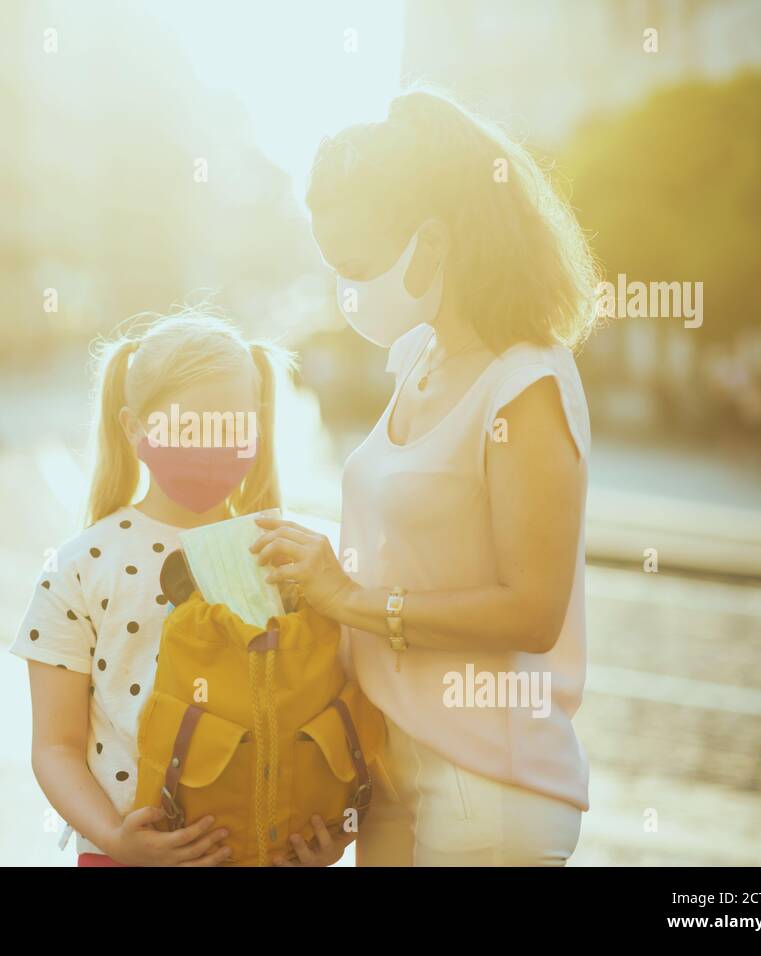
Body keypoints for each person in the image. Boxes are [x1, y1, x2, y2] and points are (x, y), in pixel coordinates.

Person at [252, 86, 599, 866]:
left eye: (358, 266)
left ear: (433, 242)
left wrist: (349, 597)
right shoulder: (417, 358)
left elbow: (533, 610)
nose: (346, 291)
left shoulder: (527, 383)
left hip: (487, 788)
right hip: (389, 770)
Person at [11, 309, 287, 866]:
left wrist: (326, 829)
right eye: (188, 427)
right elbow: (54, 746)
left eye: (232, 426)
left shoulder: (284, 554)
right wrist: (116, 839)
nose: (211, 445)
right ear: (134, 427)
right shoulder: (80, 567)